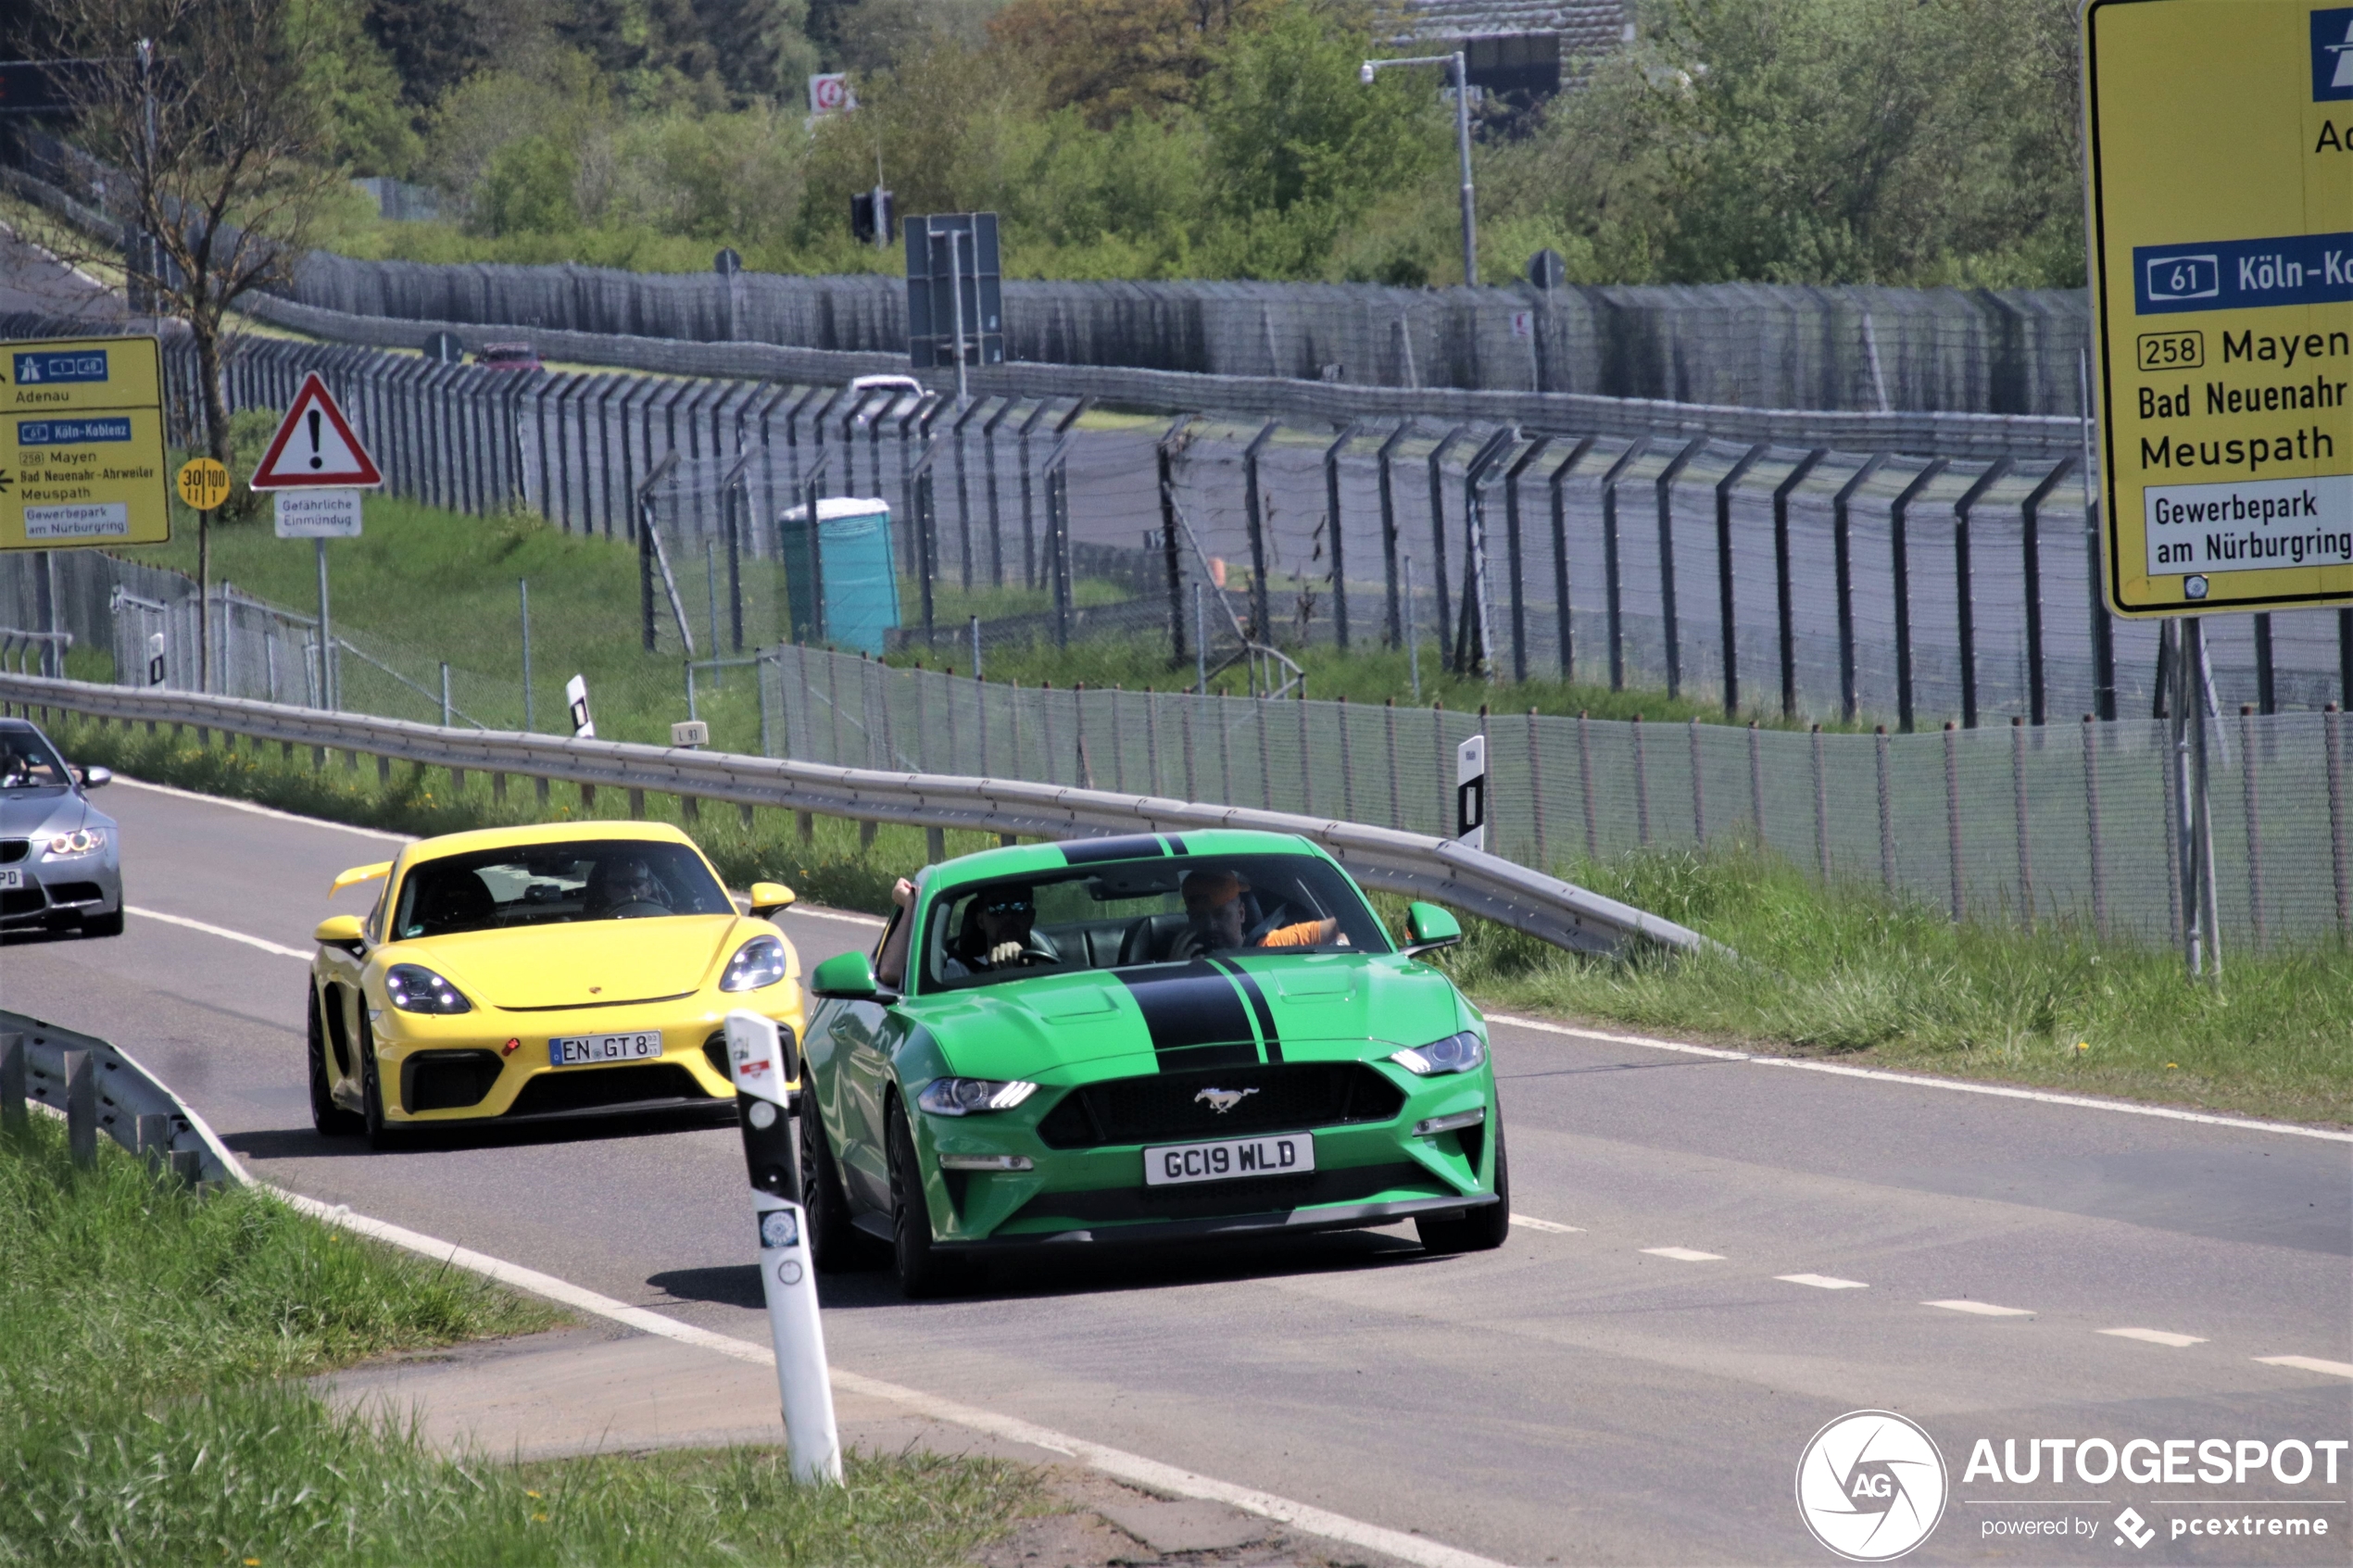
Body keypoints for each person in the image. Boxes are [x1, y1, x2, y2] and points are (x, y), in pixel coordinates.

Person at [1178, 868, 1337, 952]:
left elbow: (1339, 925)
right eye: (1199, 916)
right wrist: (1176, 972)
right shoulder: (1179, 959)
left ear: (1241, 913)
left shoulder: (1268, 946)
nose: (1210, 925)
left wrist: (1341, 948)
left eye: (1220, 914)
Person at [943, 882, 1057, 975]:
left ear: (1032, 917)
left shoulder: (1050, 966)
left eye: (1019, 906)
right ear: (980, 920)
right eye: (996, 909)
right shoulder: (957, 972)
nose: (1008, 917)